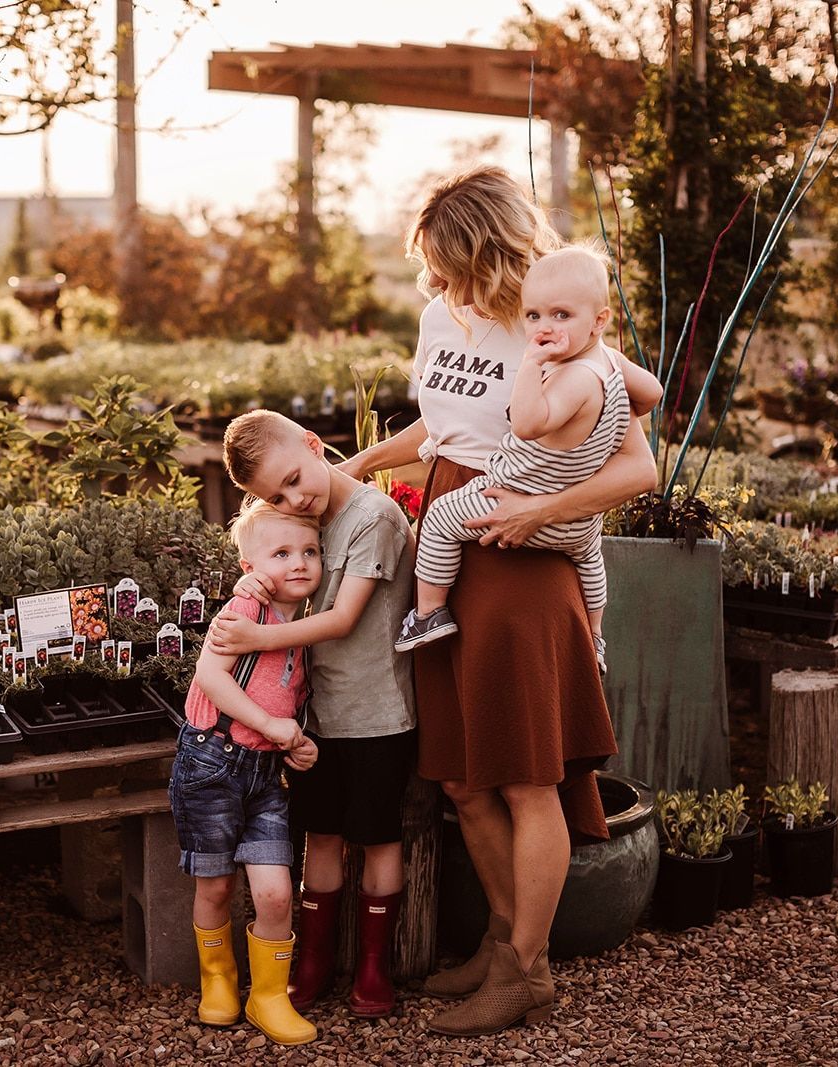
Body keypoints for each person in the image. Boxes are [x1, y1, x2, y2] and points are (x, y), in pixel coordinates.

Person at [337, 165, 659, 1036]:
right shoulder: (442, 314)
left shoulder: (558, 324)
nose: (435, 282)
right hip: (449, 537)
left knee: (523, 780)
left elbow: (639, 464)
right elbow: (444, 426)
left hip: (519, 556)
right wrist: (361, 463)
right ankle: (499, 940)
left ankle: (528, 968)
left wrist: (543, 510)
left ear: (486, 252)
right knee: (460, 778)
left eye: (447, 263)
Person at [208, 408, 417, 1018]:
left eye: (296, 479)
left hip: (377, 712)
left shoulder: (373, 517)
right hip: (315, 715)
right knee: (320, 835)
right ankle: (315, 960)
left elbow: (344, 618)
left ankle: (374, 968)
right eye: (277, 495)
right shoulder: (309, 519)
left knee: (378, 839)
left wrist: (254, 641)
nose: (295, 499)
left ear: (314, 443)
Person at [395, 244, 663, 673]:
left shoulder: (568, 375)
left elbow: (526, 424)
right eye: (533, 316)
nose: (542, 327)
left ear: (599, 321)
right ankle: (595, 637)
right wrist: (616, 396)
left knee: (442, 518)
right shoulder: (607, 360)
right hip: (579, 525)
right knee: (591, 564)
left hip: (517, 498)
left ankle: (428, 614)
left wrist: (531, 365)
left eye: (560, 316)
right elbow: (651, 393)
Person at [173, 499, 322, 1046]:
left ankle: (269, 996)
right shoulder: (243, 612)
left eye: (310, 551)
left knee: (277, 893)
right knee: (214, 885)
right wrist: (268, 723)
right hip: (212, 765)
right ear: (250, 568)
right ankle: (218, 981)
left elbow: (288, 706)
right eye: (281, 553)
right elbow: (211, 677)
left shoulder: (301, 627)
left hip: (265, 776)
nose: (300, 563)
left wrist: (296, 745)